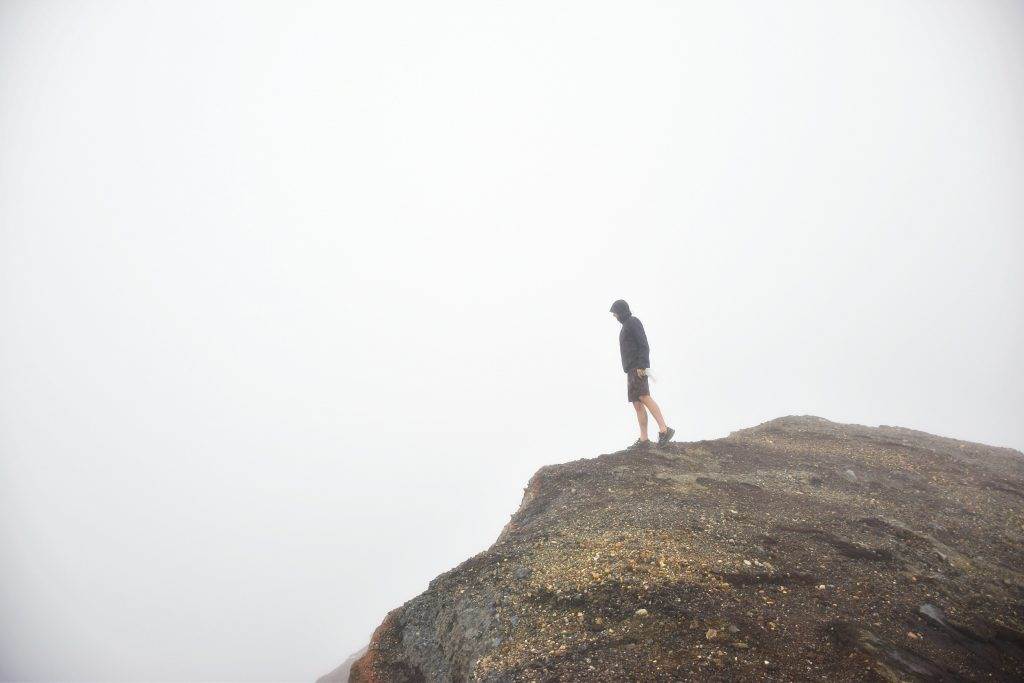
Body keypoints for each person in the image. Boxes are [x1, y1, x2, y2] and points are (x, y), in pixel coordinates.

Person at [610, 299, 675, 449]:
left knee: (644, 397)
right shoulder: (626, 326)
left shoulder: (633, 322)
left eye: (615, 312)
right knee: (637, 404)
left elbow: (643, 344)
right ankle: (644, 439)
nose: (614, 316)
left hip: (637, 368)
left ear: (621, 311)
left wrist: (642, 365)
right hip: (630, 370)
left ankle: (664, 429)